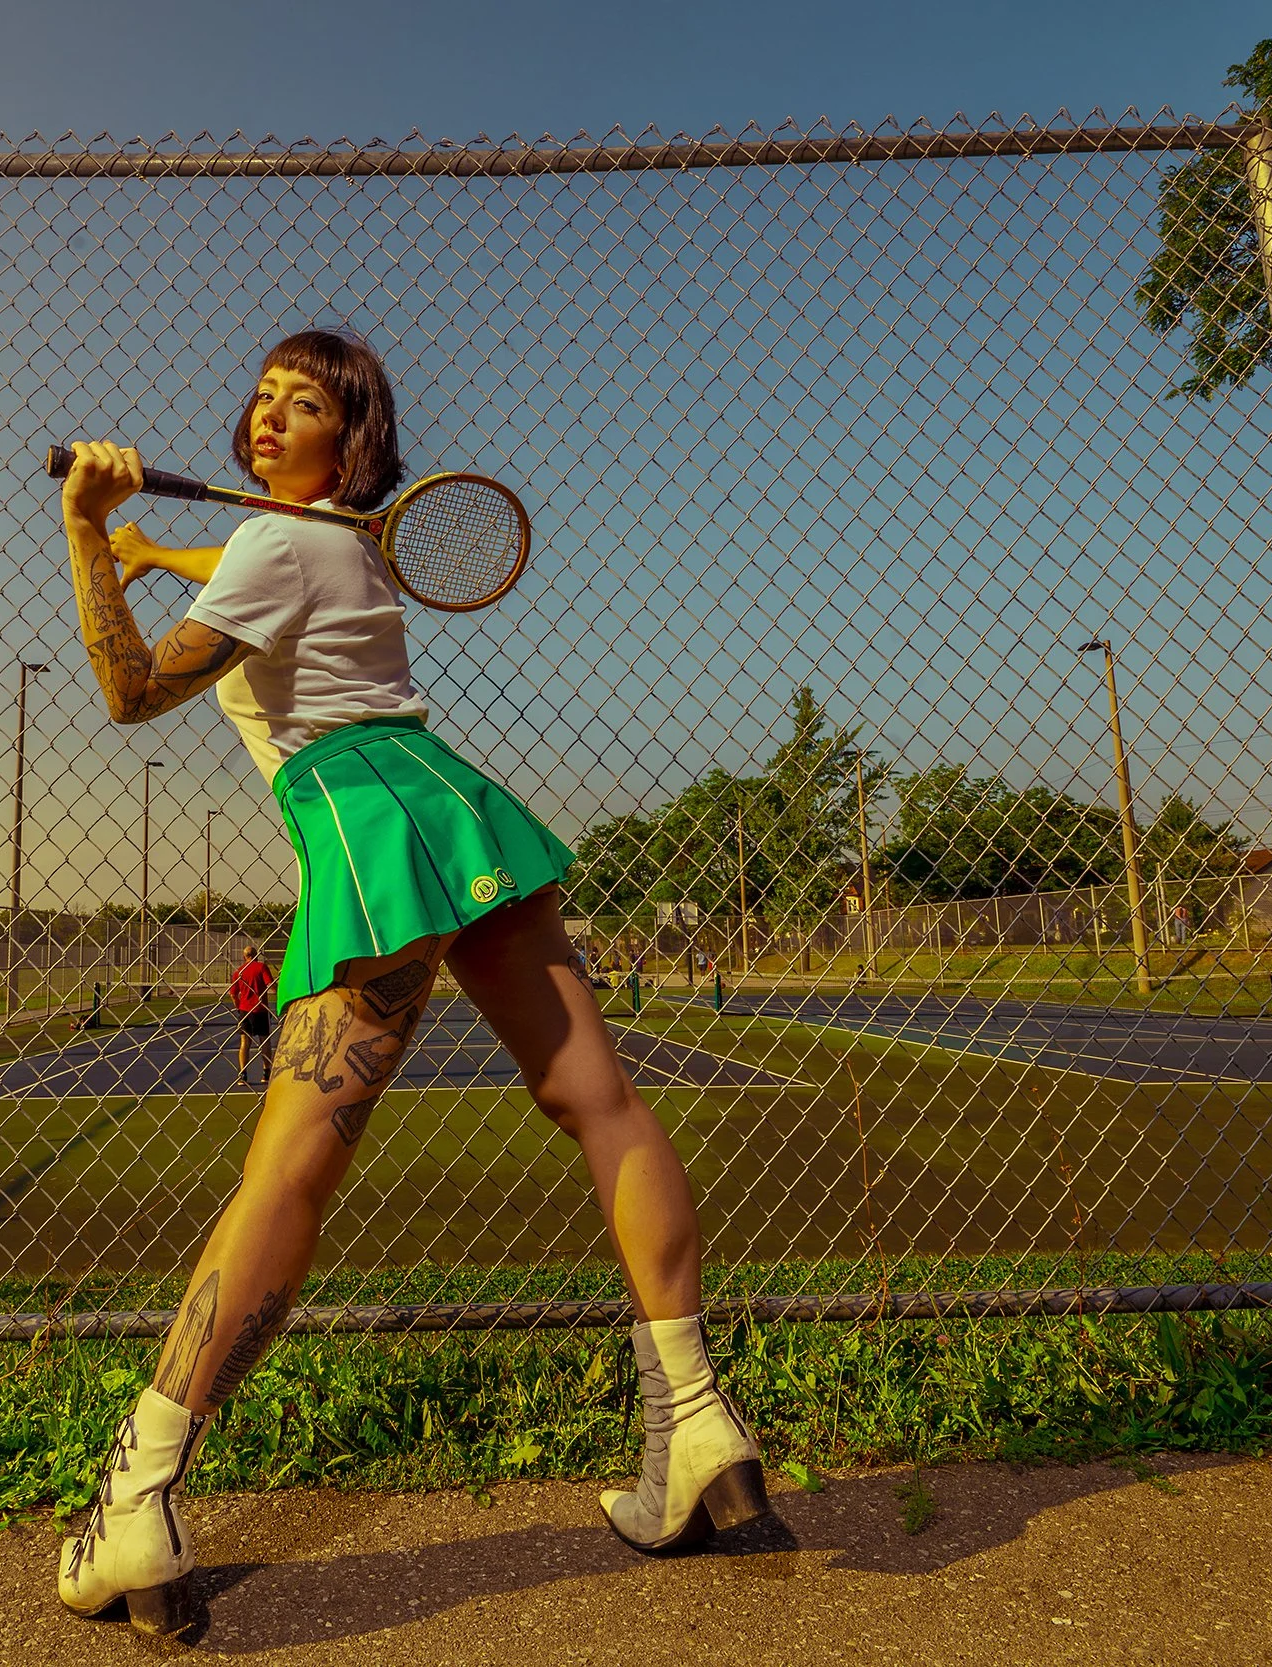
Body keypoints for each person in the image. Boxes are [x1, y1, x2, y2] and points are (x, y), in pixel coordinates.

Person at [50, 331, 766, 1645]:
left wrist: (92, 533)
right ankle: (700, 1419)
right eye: (262, 395)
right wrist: (168, 555)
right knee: (602, 1102)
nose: (269, 416)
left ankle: (140, 1492)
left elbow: (132, 689)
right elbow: (260, 562)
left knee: (288, 1172)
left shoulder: (280, 548)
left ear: (353, 438)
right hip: (458, 805)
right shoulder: (336, 545)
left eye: (304, 403)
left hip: (365, 827)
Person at [229, 944, 274, 1082]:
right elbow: (271, 985)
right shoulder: (261, 967)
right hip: (260, 1010)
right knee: (264, 1040)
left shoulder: (239, 972)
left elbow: (233, 994)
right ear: (256, 955)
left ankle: (243, 1074)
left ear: (244, 957)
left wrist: (238, 1006)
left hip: (245, 1011)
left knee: (244, 1042)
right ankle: (266, 1072)